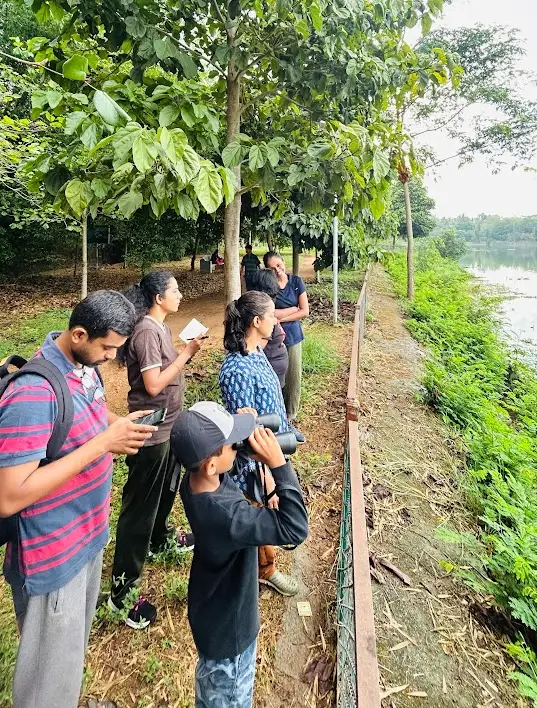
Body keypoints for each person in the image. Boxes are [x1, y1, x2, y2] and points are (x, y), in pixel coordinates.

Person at [0, 290, 157, 708]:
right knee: (47, 678)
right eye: (107, 348)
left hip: (86, 538)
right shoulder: (33, 394)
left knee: (68, 656)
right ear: (79, 334)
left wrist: (118, 425)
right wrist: (103, 443)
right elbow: (9, 496)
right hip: (54, 553)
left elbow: (87, 414)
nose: (112, 357)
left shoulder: (84, 367)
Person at [171, 402, 308, 707]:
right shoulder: (229, 518)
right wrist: (278, 464)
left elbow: (223, 470)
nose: (237, 447)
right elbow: (296, 527)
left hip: (212, 610)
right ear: (211, 465)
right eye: (232, 445)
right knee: (228, 698)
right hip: (230, 634)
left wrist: (240, 435)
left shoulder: (194, 482)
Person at [109, 271, 205, 629]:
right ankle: (122, 594)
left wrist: (183, 354)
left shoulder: (160, 327)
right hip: (150, 434)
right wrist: (186, 354)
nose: (180, 295)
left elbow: (165, 372)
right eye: (175, 291)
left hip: (168, 428)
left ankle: (160, 539)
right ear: (158, 298)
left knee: (165, 491)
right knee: (139, 511)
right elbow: (152, 385)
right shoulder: (148, 332)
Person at [219, 290, 299, 596]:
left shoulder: (256, 351)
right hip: (255, 466)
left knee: (264, 514)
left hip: (270, 453)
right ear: (256, 321)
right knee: (258, 514)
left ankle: (262, 567)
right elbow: (247, 434)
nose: (277, 321)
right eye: (272, 316)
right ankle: (263, 571)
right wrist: (268, 479)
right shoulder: (238, 369)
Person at [264, 251, 309, 443]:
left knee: (293, 378)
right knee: (275, 379)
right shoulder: (268, 285)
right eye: (272, 267)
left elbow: (305, 311)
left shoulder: (296, 281)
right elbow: (269, 312)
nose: (277, 269)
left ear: (284, 262)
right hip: (273, 338)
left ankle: (289, 418)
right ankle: (275, 417)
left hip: (293, 337)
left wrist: (280, 317)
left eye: (279, 265)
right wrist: (292, 310)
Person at [248, 269, 288, 388]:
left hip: (273, 369)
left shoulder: (263, 308)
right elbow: (256, 347)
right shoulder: (261, 316)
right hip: (268, 373)